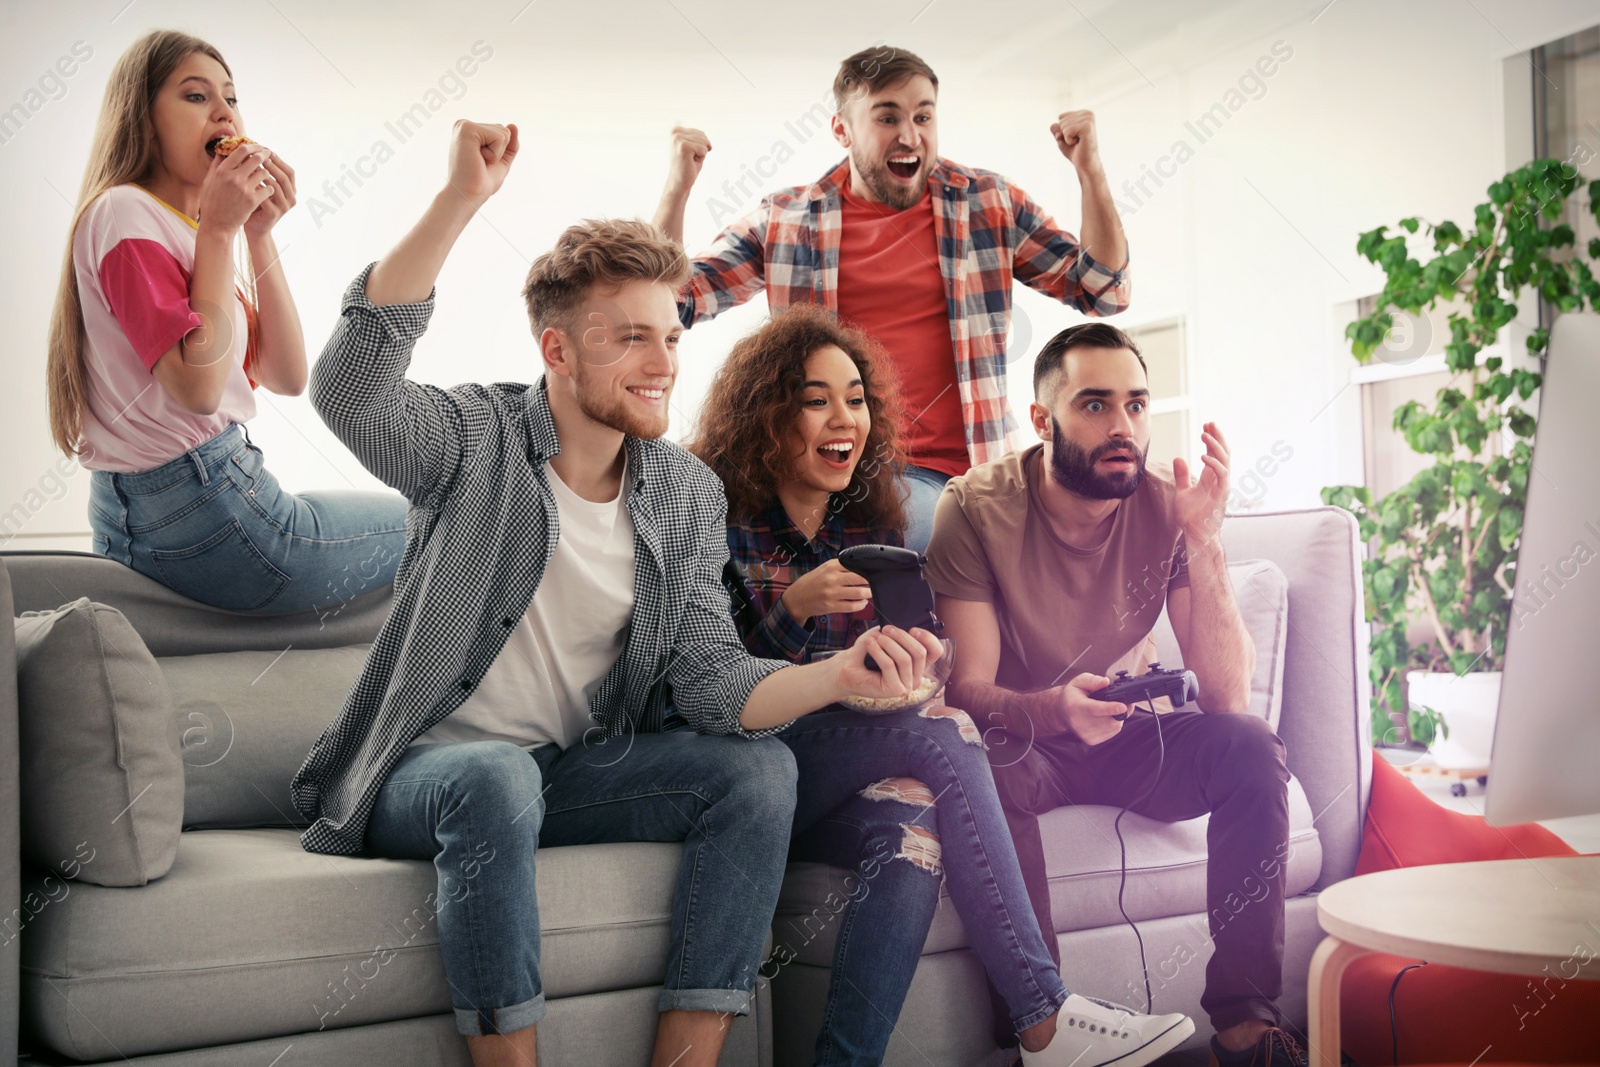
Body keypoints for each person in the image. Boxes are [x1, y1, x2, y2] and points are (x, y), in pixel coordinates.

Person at [291, 119, 955, 1067]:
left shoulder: (684, 492)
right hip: (432, 771)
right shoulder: (473, 440)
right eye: (631, 337)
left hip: (568, 772)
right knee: (493, 772)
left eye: (672, 335)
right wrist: (458, 202)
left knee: (759, 768)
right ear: (558, 351)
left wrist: (841, 675)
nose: (663, 361)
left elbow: (714, 684)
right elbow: (351, 390)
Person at [691, 304, 1195, 1067]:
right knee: (948, 732)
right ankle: (1043, 1018)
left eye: (856, 399)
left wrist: (919, 668)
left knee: (912, 828)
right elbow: (705, 689)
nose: (844, 418)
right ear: (768, 414)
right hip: (747, 771)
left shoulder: (873, 522)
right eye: (815, 397)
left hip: (837, 774)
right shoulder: (715, 518)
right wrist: (791, 613)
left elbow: (912, 671)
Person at [927, 323, 1302, 1065]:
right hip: (1025, 743)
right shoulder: (975, 507)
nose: (1123, 426)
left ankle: (1247, 1029)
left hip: (1132, 734)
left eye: (1136, 404)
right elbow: (967, 689)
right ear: (1043, 420)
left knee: (1252, 748)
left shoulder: (1167, 508)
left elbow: (1227, 694)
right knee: (979, 763)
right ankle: (1045, 1033)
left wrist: (1204, 537)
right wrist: (1053, 706)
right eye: (1095, 405)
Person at [655, 44, 1131, 554]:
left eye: (923, 116)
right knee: (689, 516)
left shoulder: (988, 203)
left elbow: (1103, 290)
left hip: (959, 476)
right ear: (842, 129)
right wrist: (678, 188)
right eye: (887, 117)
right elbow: (669, 300)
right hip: (831, 470)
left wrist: (1091, 171)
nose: (910, 135)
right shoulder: (787, 220)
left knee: (917, 530)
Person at [46, 30, 407, 615]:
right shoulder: (124, 212)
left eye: (231, 97)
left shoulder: (189, 232)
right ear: (143, 121)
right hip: (202, 508)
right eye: (195, 96)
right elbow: (198, 389)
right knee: (440, 513)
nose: (223, 111)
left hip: (190, 504)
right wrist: (218, 231)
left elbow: (288, 375)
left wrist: (257, 234)